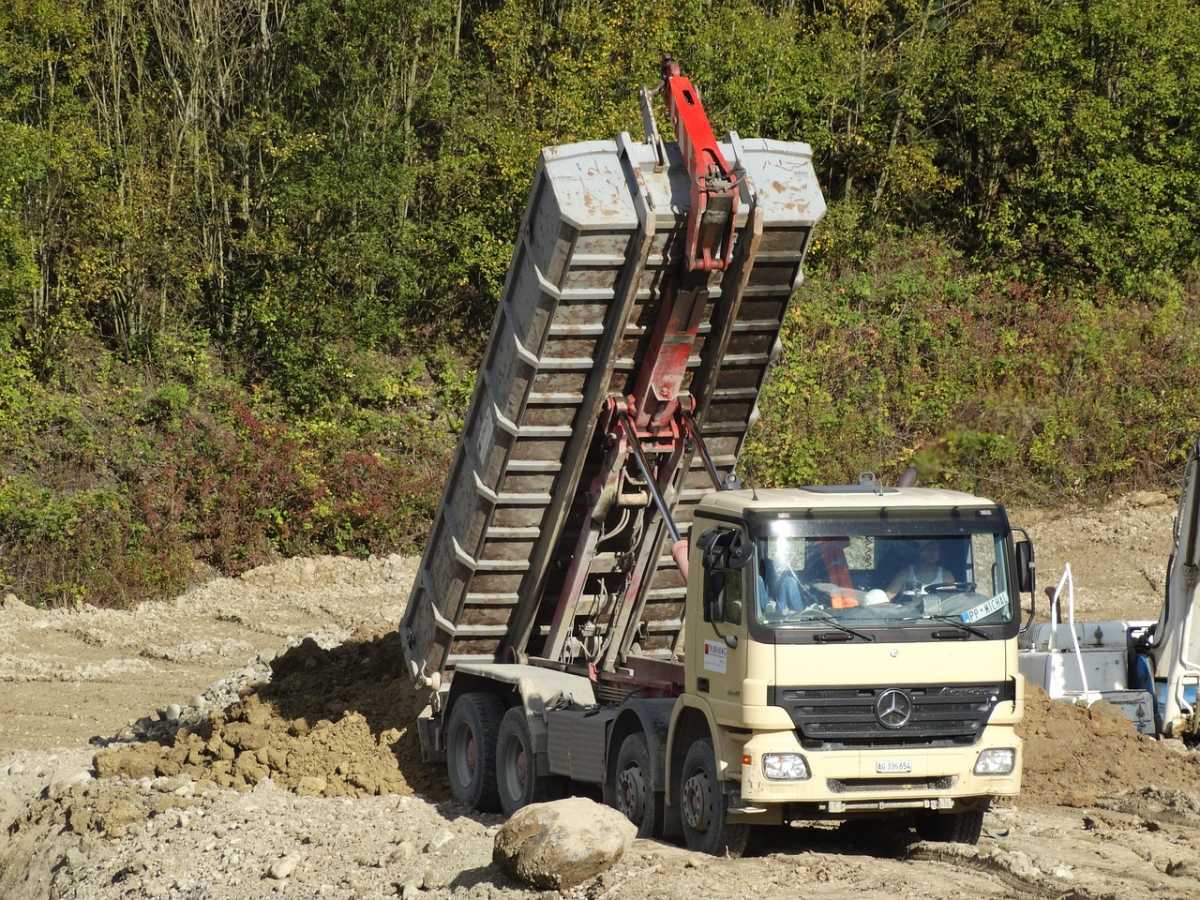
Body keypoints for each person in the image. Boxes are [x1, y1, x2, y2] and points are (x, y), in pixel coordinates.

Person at [887, 539, 954, 598]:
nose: (932, 552)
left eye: (935, 549)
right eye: (928, 549)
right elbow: (888, 596)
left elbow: (951, 601)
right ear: (919, 551)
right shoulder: (905, 574)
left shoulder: (946, 576)